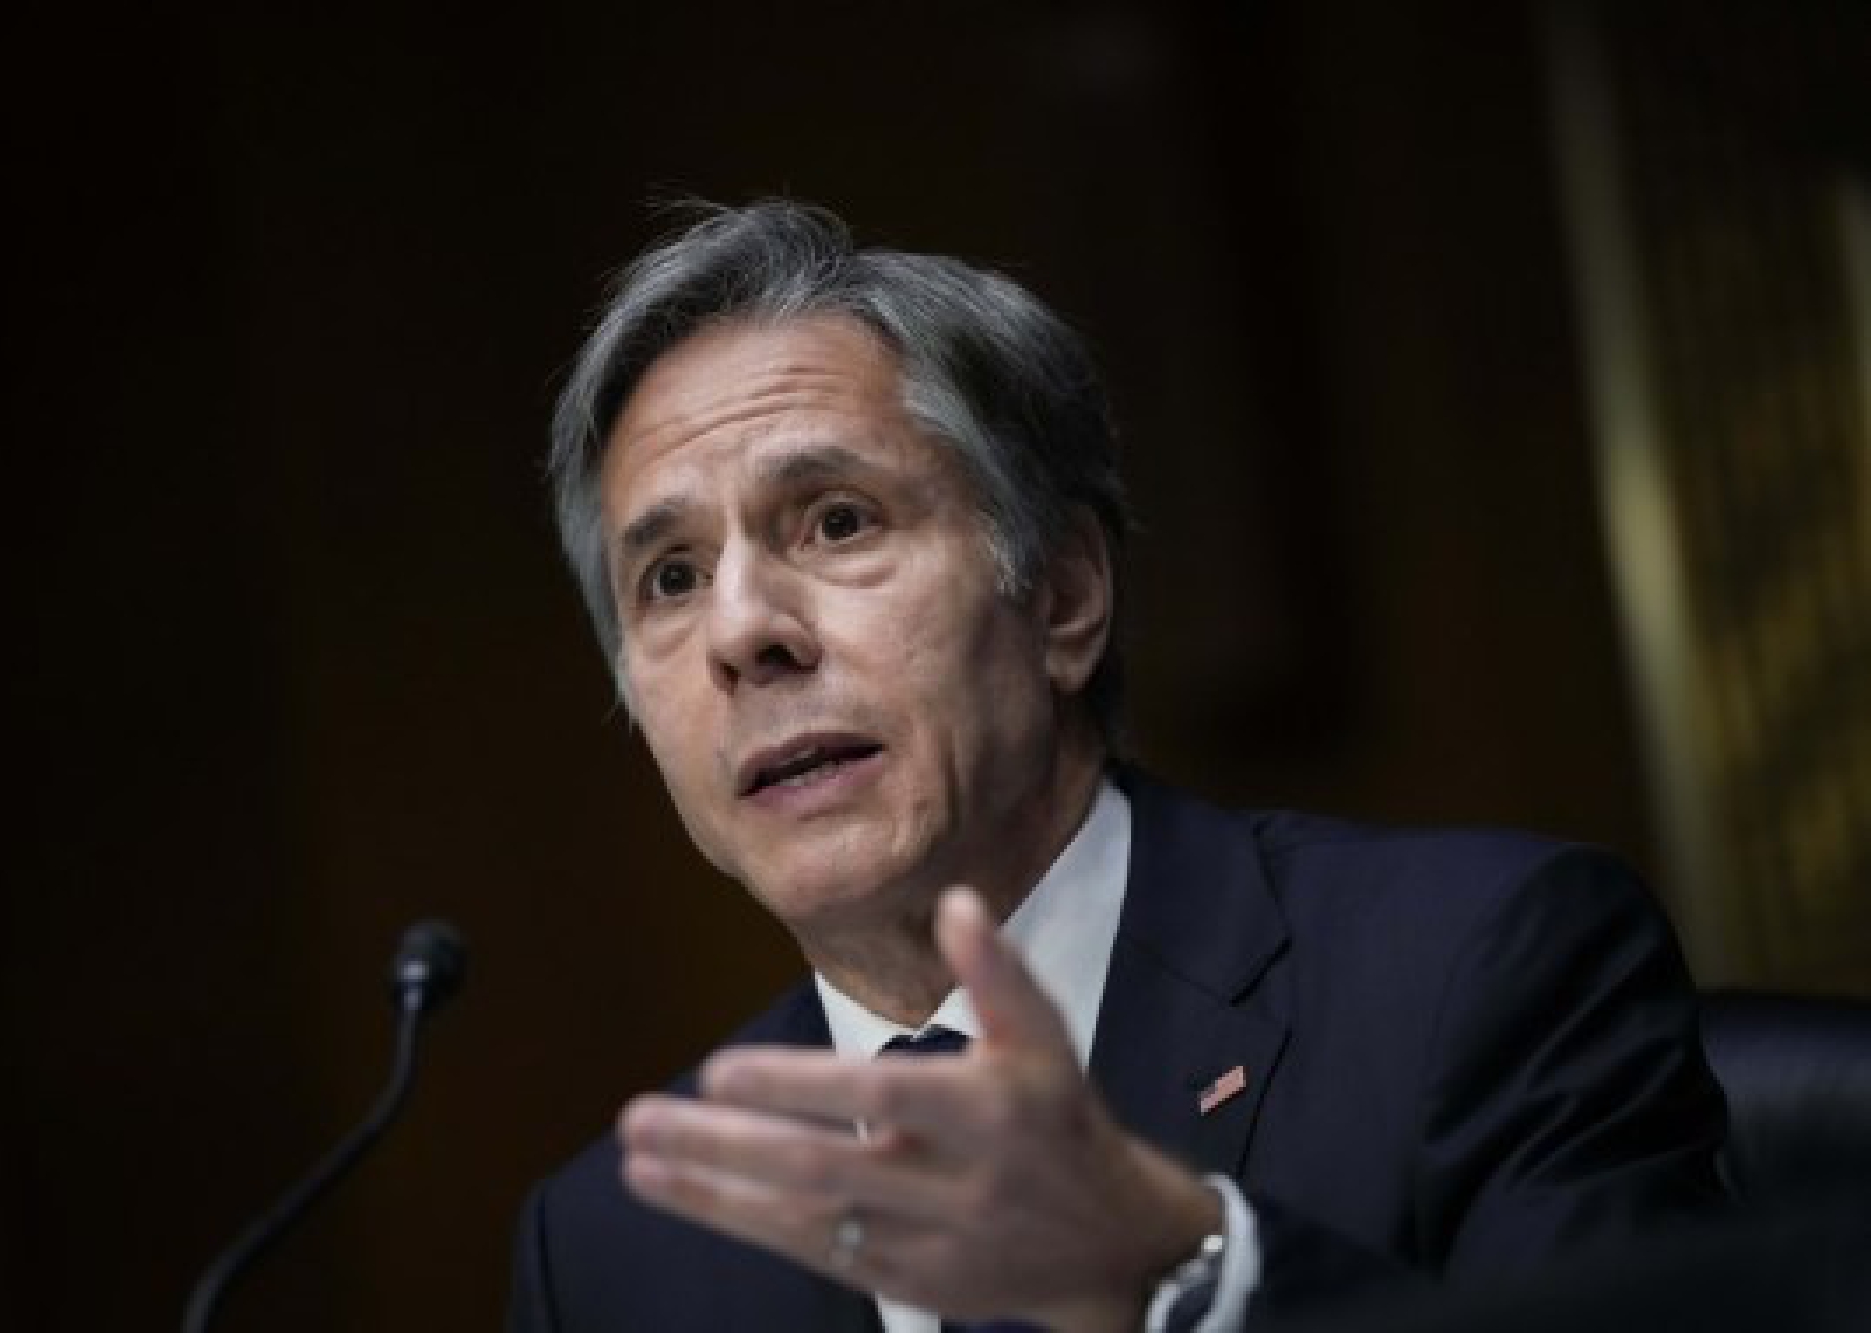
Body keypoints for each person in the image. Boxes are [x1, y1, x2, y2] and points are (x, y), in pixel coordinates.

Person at [508, 200, 1726, 1333]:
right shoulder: (619, 1241)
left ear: (1064, 595)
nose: (739, 633)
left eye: (836, 520)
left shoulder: (1479, 973)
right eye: (667, 578)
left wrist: (1176, 1266)